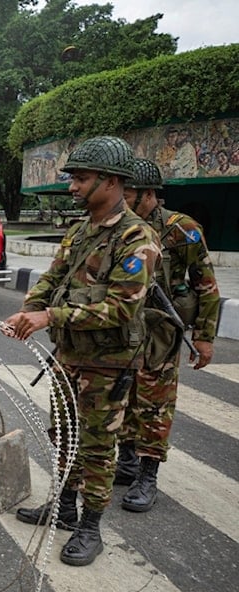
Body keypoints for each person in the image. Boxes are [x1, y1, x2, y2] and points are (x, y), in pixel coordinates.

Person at [2, 136, 160, 567]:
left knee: (96, 446)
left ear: (111, 182)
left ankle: (90, 527)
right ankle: (64, 507)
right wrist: (29, 312)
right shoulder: (80, 231)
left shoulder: (136, 237)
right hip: (69, 357)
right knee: (65, 436)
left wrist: (50, 318)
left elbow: (122, 307)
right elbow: (52, 280)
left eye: (82, 178)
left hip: (107, 364)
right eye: (73, 177)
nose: (72, 186)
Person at [115, 157, 220, 511]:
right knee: (124, 394)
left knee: (155, 401)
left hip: (160, 328)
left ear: (148, 195)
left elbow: (206, 286)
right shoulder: (118, 226)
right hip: (123, 325)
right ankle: (126, 461)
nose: (121, 198)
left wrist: (205, 337)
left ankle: (148, 474)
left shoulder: (182, 229)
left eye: (127, 192)